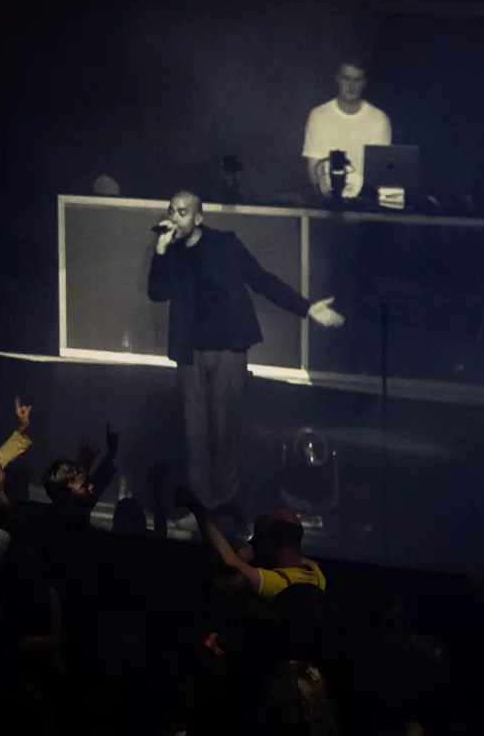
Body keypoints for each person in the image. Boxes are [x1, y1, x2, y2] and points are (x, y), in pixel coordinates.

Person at [148, 191, 345, 510]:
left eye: (182, 212)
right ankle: (201, 507)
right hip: (189, 355)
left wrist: (306, 308)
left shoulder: (224, 244)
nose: (174, 217)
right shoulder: (170, 252)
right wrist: (160, 251)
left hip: (228, 350)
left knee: (226, 434)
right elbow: (157, 293)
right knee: (194, 436)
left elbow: (262, 280)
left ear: (199, 218)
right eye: (171, 211)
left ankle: (224, 506)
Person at [175, 487, 326, 601]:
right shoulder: (315, 573)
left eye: (259, 538)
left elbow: (231, 563)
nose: (253, 544)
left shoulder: (279, 584)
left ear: (283, 541)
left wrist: (198, 510)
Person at [302, 61, 392, 199]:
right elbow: (314, 169)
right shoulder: (319, 115)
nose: (351, 86)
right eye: (346, 78)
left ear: (365, 83)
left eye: (357, 80)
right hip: (326, 202)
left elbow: (379, 172)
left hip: (365, 203)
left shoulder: (379, 119)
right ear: (337, 79)